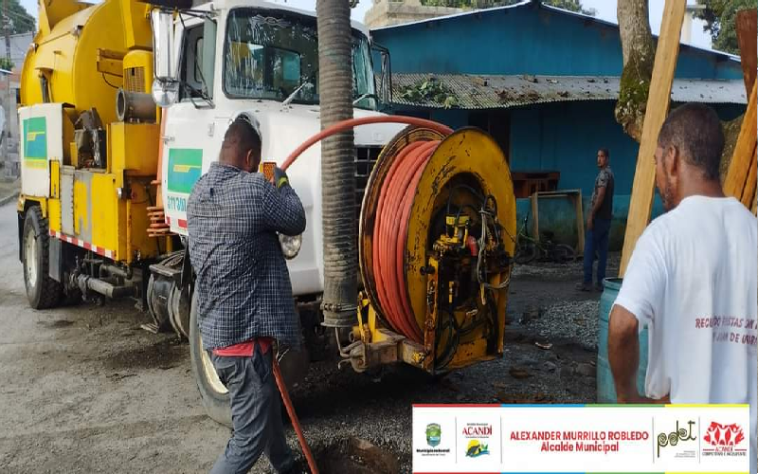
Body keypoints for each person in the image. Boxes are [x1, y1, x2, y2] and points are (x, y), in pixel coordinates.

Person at [608, 103, 756, 473]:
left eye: (657, 161)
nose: (658, 176)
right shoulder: (754, 233)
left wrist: (628, 398)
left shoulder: (664, 236)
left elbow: (623, 324)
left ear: (672, 158)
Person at [187, 115, 306, 474]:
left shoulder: (197, 193)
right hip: (244, 345)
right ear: (251, 157)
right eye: (260, 161)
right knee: (248, 438)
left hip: (217, 338)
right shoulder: (255, 189)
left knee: (266, 405)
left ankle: (285, 465)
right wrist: (278, 176)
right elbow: (295, 218)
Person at [576, 148, 614, 292]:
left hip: (598, 218)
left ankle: (587, 282)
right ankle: (600, 282)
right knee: (603, 252)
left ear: (607, 158)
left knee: (590, 249)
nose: (599, 159)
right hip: (606, 218)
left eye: (602, 156)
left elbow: (601, 195)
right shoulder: (611, 173)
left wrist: (592, 214)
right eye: (598, 156)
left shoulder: (604, 175)